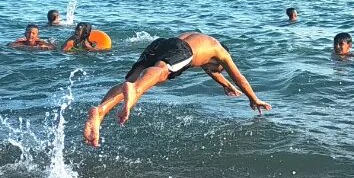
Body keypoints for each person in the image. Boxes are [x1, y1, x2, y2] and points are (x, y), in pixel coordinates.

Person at [83, 32, 271, 147]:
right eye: (216, 68)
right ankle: (134, 87)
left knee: (129, 84)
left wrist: (226, 86)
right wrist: (253, 98)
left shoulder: (205, 42)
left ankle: (100, 111)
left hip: (160, 44)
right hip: (183, 50)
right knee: (162, 73)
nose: (213, 70)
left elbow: (211, 71)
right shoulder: (221, 53)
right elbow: (240, 78)